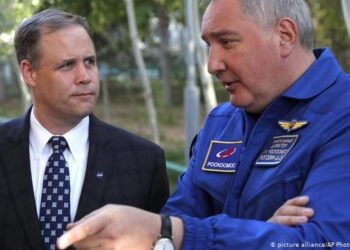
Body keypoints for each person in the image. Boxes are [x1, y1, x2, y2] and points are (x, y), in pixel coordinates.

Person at [57, 0, 350, 249]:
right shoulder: (221, 123)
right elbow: (179, 213)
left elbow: (325, 241)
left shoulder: (342, 114)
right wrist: (264, 232)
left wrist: (177, 234)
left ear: (285, 36)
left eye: (227, 42)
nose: (212, 64)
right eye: (209, 45)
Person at [0, 8, 170, 250]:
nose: (85, 76)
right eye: (67, 65)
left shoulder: (144, 162)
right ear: (29, 72)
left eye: (89, 62)